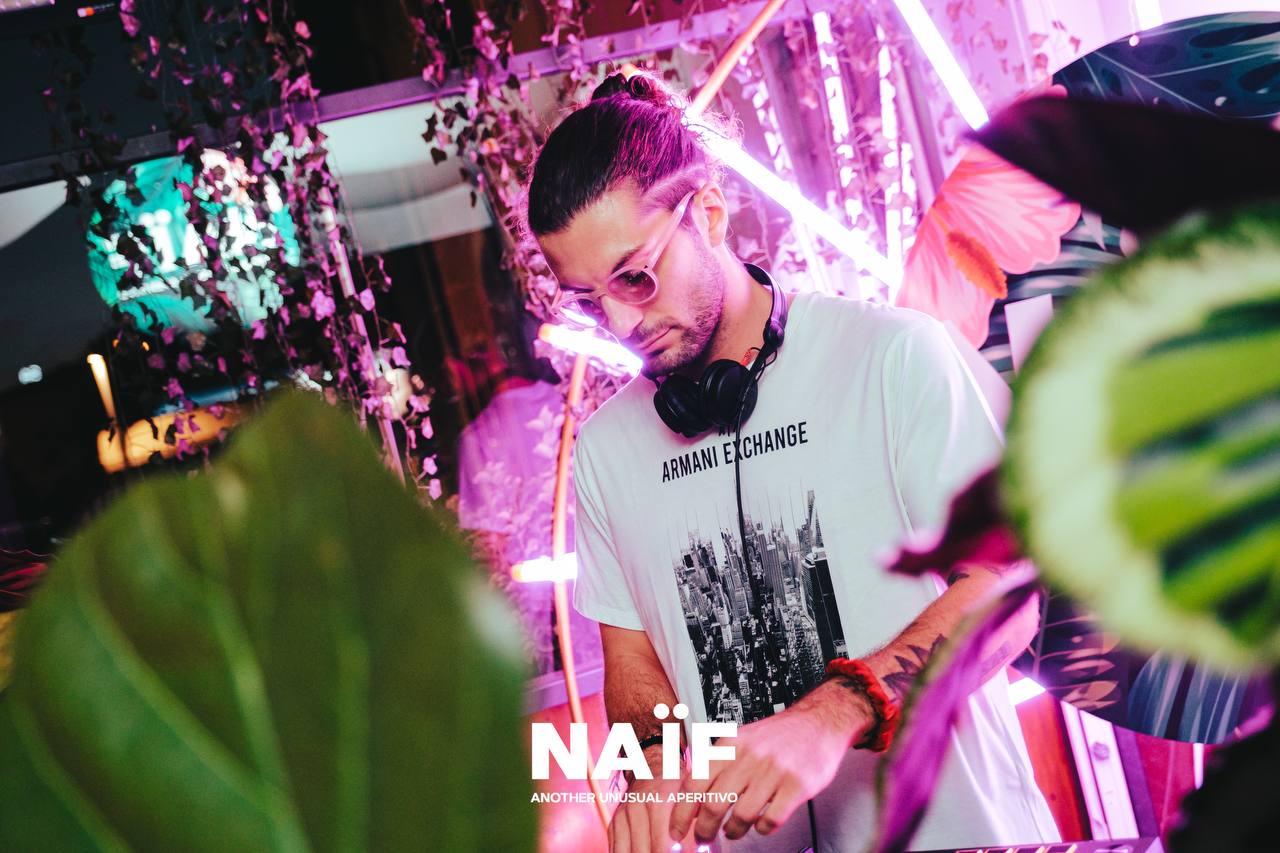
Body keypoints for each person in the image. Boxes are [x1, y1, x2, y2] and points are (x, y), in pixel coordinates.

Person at [522, 71, 1059, 853]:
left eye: (635, 275)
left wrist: (834, 712)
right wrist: (657, 765)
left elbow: (1008, 587)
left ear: (709, 212)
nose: (619, 322)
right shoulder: (605, 454)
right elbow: (632, 658)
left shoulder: (892, 357)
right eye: (586, 299)